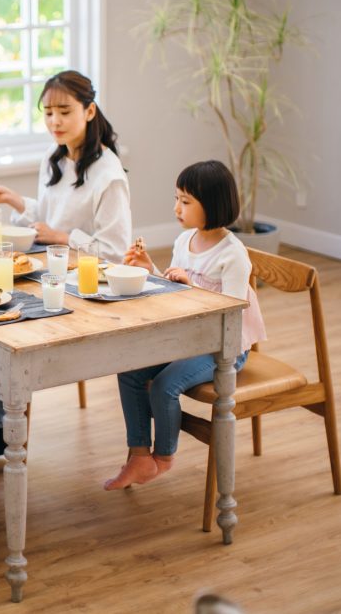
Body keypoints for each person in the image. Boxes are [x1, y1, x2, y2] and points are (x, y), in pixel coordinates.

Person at [104, 160, 267, 490]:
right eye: (177, 198)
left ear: (214, 205)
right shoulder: (184, 242)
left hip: (224, 349)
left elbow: (231, 314)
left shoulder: (232, 254)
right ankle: (138, 456)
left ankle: (162, 458)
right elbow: (176, 289)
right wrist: (150, 268)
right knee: (130, 371)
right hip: (189, 340)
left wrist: (193, 288)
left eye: (186, 201)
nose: (176, 208)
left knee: (165, 385)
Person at [0, 70, 130, 262]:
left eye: (65, 112)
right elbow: (49, 221)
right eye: (48, 112)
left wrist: (62, 238)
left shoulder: (109, 176)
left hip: (85, 278)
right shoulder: (54, 155)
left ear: (90, 111)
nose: (54, 122)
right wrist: (13, 199)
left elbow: (115, 251)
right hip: (52, 263)